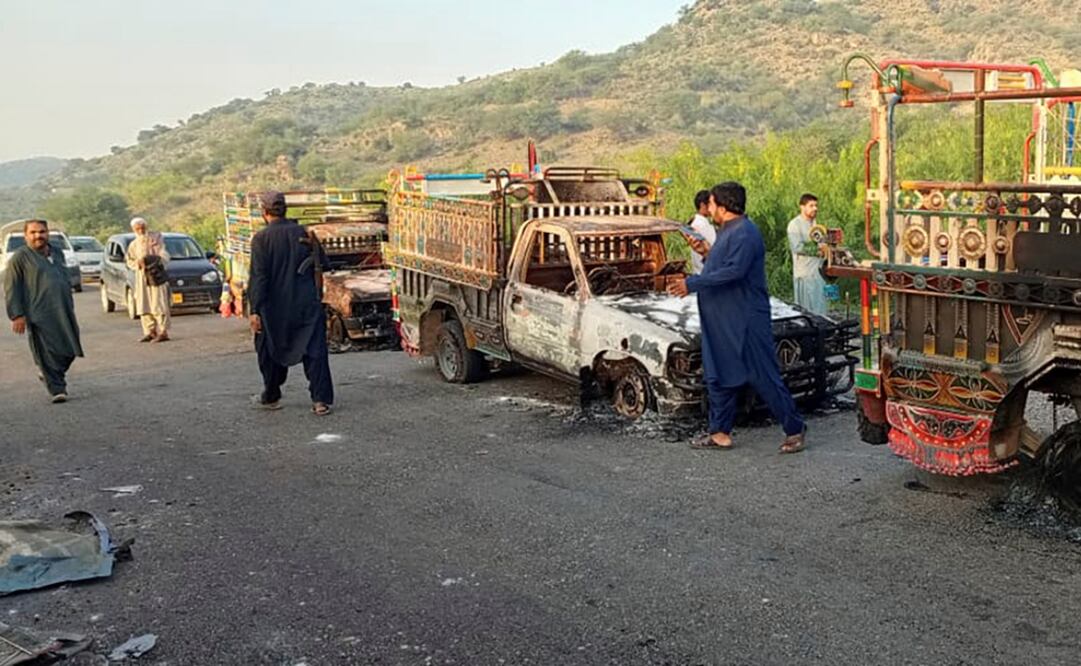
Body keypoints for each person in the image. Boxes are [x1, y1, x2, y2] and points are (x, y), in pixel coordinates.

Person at [668, 182, 806, 453]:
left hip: (744, 319)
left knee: (762, 374)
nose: (709, 210)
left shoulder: (745, 233)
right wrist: (706, 252)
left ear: (723, 206)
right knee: (717, 374)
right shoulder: (727, 232)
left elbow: (734, 271)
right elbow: (722, 265)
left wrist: (692, 283)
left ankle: (794, 428)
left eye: (711, 204)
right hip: (722, 319)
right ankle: (719, 432)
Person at [249, 190, 334, 415]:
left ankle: (272, 393)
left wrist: (255, 310)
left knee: (267, 348)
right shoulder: (304, 233)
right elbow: (324, 264)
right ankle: (320, 401)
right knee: (315, 351)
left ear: (264, 213)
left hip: (274, 307)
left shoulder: (261, 239)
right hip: (306, 302)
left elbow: (259, 277)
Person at [4, 219, 83, 402]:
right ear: (26, 236)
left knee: (70, 348)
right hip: (39, 312)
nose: (38, 236)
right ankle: (57, 388)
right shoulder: (20, 258)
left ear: (48, 233)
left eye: (41, 232)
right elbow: (11, 288)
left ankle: (47, 371)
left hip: (63, 309)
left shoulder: (57, 252)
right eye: (33, 232)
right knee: (46, 349)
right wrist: (17, 314)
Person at [126, 217, 171, 342]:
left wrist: (149, 260)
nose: (140, 230)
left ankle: (163, 331)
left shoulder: (156, 238)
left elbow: (164, 255)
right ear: (133, 229)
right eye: (137, 228)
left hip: (156, 276)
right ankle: (150, 331)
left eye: (142, 228)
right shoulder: (133, 244)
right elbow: (129, 261)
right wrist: (138, 263)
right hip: (142, 277)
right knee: (143, 304)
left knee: (159, 304)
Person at [786, 193, 828, 316]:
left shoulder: (816, 225)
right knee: (805, 310)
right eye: (811, 205)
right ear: (802, 207)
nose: (815, 208)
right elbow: (797, 247)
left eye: (816, 205)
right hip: (805, 273)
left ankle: (824, 330)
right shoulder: (794, 225)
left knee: (820, 305)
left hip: (819, 272)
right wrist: (818, 251)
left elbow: (822, 243)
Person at [686, 189, 717, 275]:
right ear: (703, 205)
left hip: (698, 271)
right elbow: (715, 248)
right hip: (707, 271)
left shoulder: (694, 223)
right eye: (710, 204)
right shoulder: (703, 225)